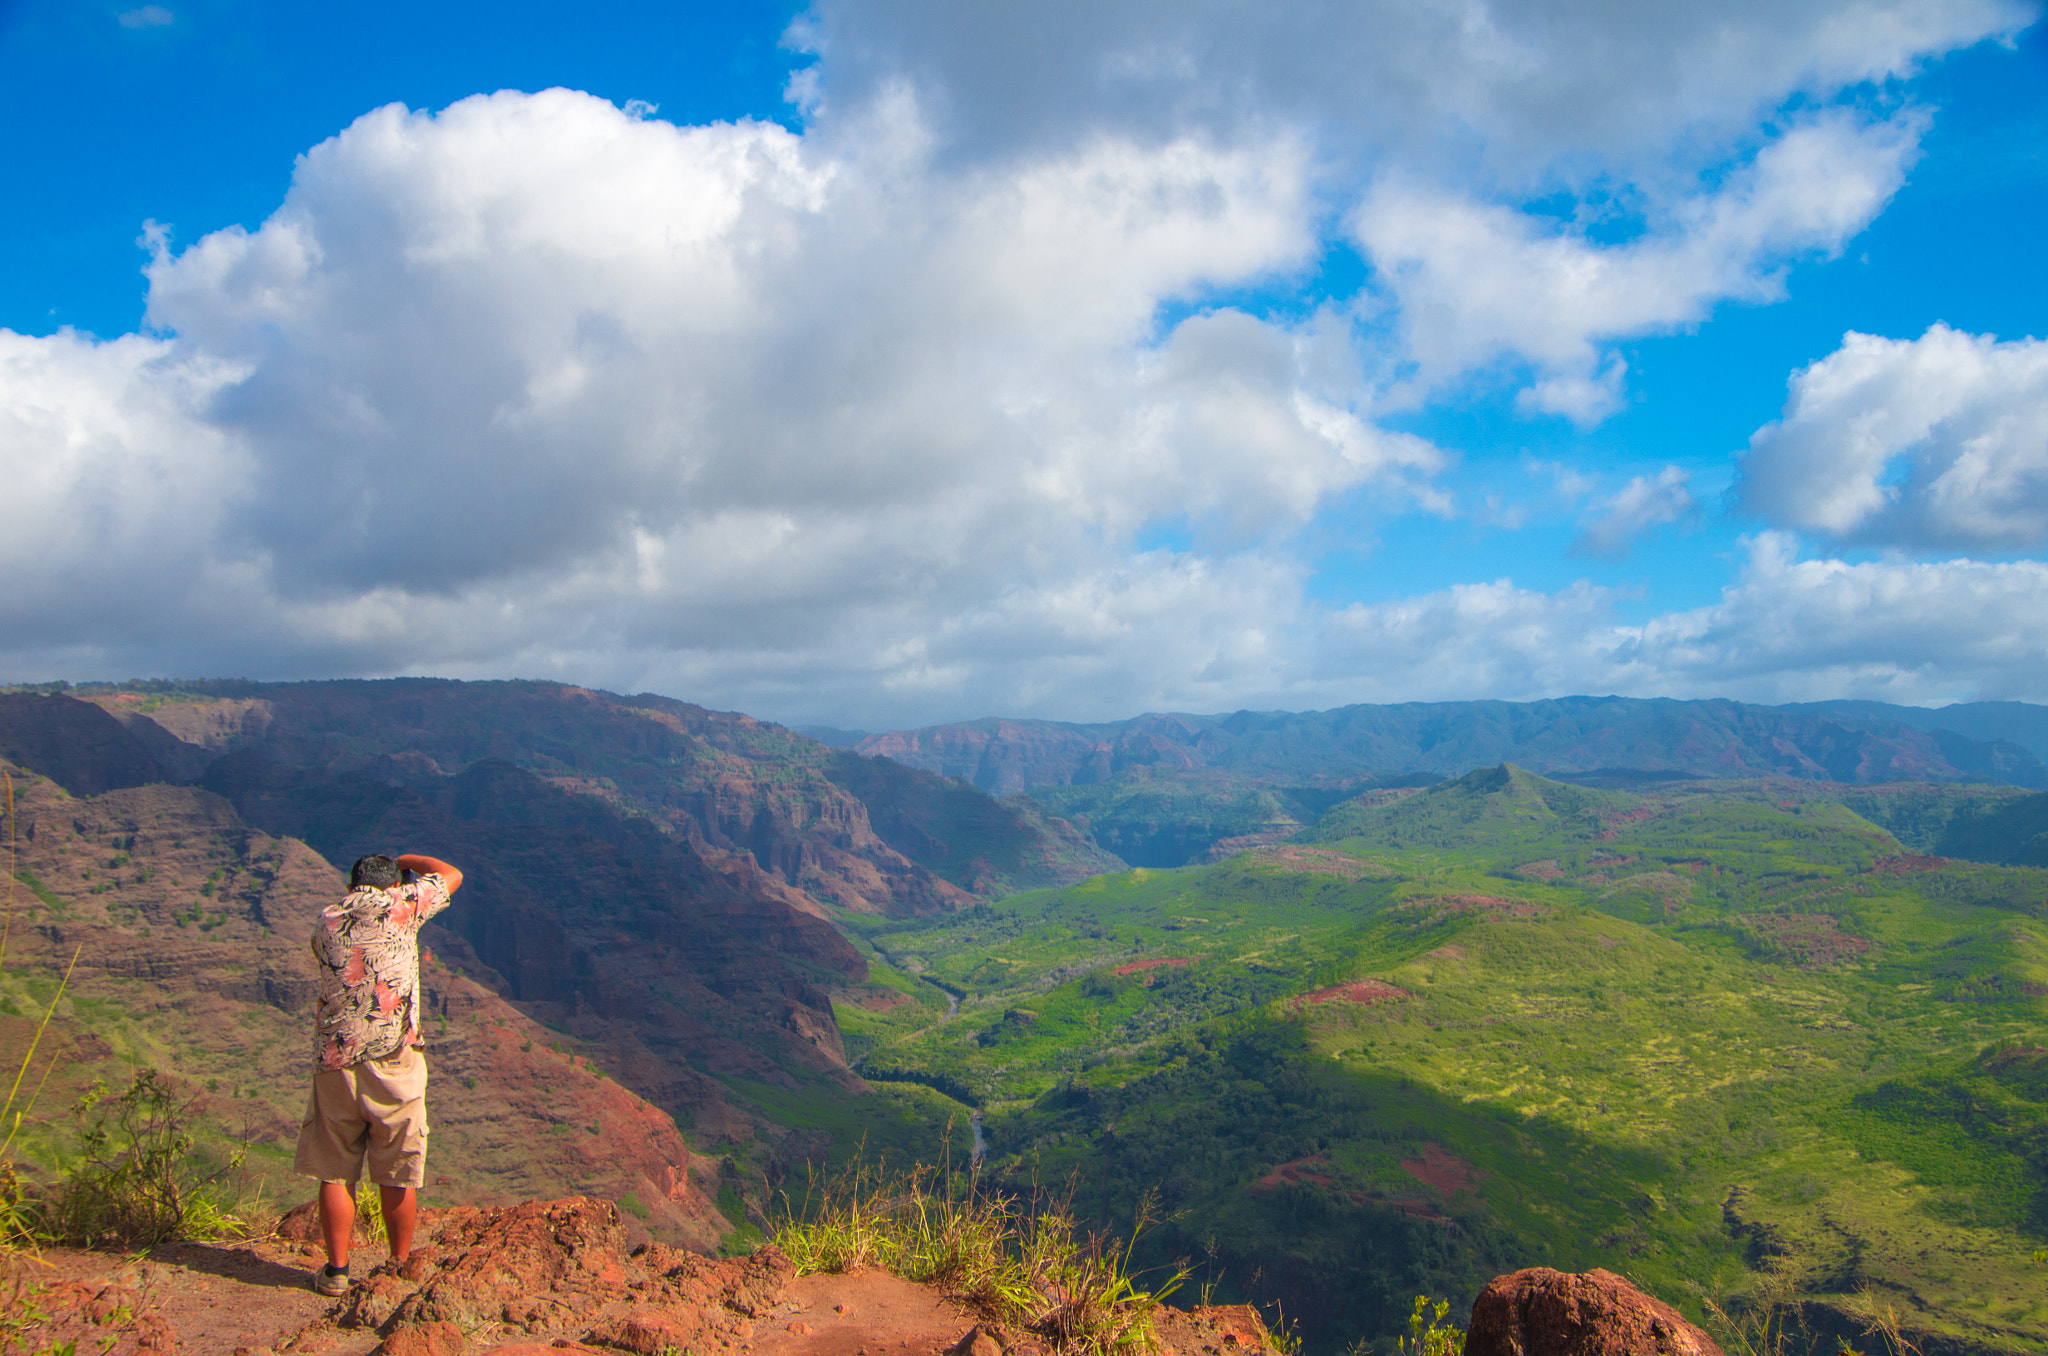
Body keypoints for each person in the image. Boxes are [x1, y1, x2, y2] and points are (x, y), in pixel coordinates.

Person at [294, 851, 463, 1296]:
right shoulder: (403, 905)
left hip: (335, 1060)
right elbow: (451, 875)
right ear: (393, 887)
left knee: (336, 1171)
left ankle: (336, 1271)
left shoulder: (328, 919)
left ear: (351, 888)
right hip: (394, 1060)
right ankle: (399, 1265)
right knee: (397, 1169)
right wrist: (407, 860)